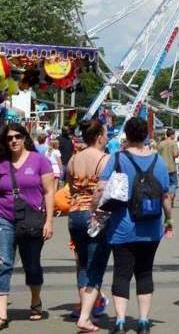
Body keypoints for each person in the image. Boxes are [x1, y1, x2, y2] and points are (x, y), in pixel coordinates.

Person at [98, 118, 175, 334]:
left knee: (121, 273)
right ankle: (143, 320)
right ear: (145, 135)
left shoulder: (117, 158)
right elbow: (166, 196)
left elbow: (101, 189)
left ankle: (121, 321)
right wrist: (169, 220)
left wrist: (96, 210)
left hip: (122, 226)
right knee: (145, 272)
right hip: (151, 228)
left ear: (127, 135)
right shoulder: (158, 161)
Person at [0, 123, 57, 331]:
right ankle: (1, 316)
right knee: (1, 264)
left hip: (31, 220)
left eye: (17, 136)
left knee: (32, 264)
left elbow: (49, 192)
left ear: (25, 138)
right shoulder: (0, 166)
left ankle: (35, 301)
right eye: (9, 138)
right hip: (4, 218)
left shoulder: (40, 161)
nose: (14, 141)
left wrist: (49, 221)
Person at [66, 120, 112, 332]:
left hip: (74, 214)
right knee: (95, 265)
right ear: (100, 136)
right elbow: (108, 190)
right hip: (95, 215)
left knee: (82, 262)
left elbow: (69, 186)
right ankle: (86, 316)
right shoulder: (105, 159)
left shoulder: (74, 159)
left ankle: (86, 308)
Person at [157, 129, 179, 194]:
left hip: (162, 167)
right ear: (172, 135)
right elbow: (175, 155)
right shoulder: (174, 143)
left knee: (164, 183)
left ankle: (165, 197)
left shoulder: (161, 143)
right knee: (173, 183)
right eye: (174, 134)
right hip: (171, 167)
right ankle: (170, 195)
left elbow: (157, 155)